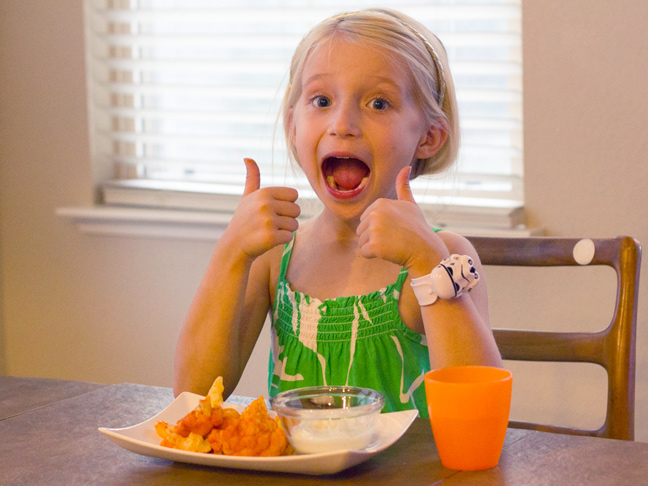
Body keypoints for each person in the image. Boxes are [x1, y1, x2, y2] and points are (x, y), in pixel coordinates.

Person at [174, 8, 502, 416]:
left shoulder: (445, 257)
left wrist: (427, 260)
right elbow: (192, 396)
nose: (342, 124)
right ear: (293, 127)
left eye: (378, 103)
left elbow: (481, 415)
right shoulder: (275, 259)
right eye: (322, 101)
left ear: (429, 137)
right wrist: (231, 253)